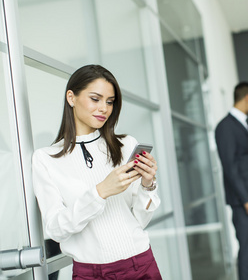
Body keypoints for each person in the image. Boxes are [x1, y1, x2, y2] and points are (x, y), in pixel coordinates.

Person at [32, 65, 162, 279]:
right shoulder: (46, 159)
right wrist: (100, 192)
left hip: (141, 263)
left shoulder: (126, 145)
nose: (104, 108)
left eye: (110, 102)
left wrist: (148, 185)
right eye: (95, 99)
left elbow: (140, 220)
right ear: (71, 97)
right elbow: (55, 229)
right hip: (91, 273)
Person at [215, 82, 248, 280]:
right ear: (247, 98)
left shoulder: (247, 125)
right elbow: (230, 167)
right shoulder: (225, 127)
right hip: (244, 201)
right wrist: (247, 199)